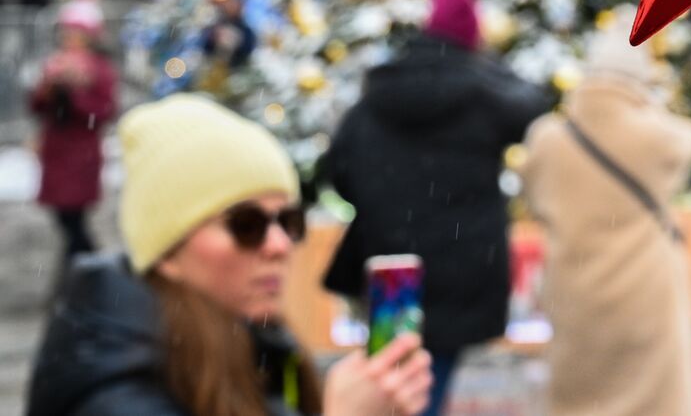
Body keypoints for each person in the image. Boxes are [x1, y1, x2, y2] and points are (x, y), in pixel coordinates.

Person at [26, 94, 433, 416]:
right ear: (168, 251)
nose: (278, 246)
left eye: (288, 221)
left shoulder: (257, 342)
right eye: (246, 225)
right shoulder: (117, 397)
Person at [323, 0, 549, 416]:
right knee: (422, 387)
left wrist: (388, 205)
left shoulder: (377, 97)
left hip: (392, 269)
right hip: (463, 270)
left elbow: (339, 173)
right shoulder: (484, 94)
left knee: (396, 381)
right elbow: (534, 106)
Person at [522, 15, 691, 416]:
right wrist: (651, 102)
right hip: (645, 297)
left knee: (582, 403)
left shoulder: (547, 138)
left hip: (574, 294)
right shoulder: (653, 135)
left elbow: (534, 198)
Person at [28, 0, 118, 261]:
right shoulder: (55, 64)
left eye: (76, 34)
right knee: (65, 219)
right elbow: (37, 106)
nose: (70, 39)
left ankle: (85, 272)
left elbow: (102, 111)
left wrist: (75, 93)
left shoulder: (99, 69)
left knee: (74, 221)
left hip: (81, 154)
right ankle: (86, 273)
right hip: (57, 151)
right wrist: (49, 87)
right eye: (66, 33)